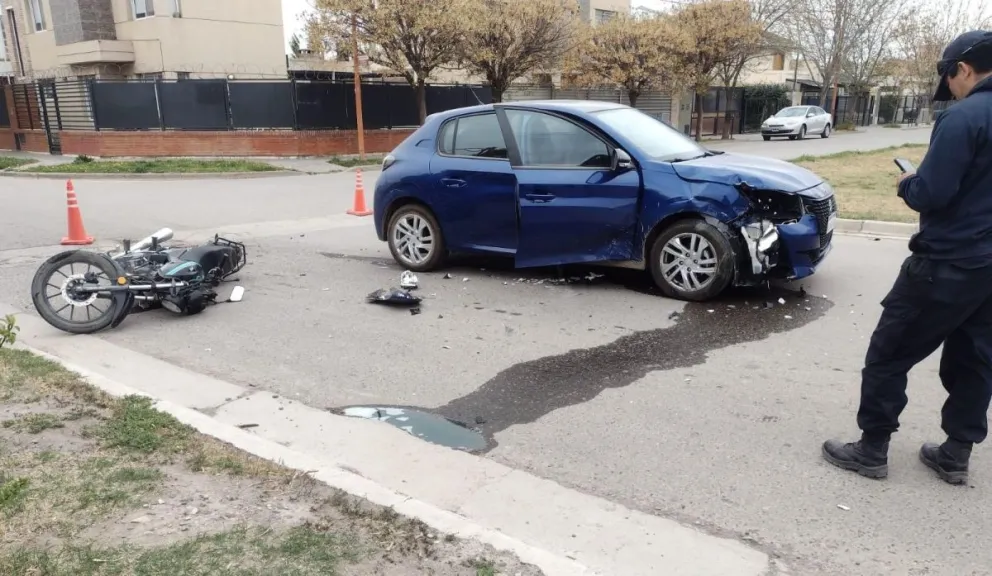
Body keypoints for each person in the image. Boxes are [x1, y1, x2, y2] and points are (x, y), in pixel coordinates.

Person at [821, 30, 992, 486]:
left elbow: (931, 194)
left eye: (950, 78)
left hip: (945, 265)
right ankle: (956, 453)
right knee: (975, 359)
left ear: (963, 70)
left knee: (888, 355)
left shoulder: (964, 118)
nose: (950, 88)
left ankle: (872, 449)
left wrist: (908, 184)